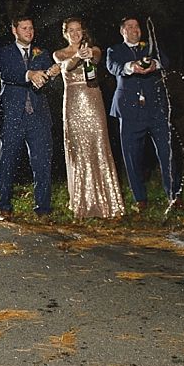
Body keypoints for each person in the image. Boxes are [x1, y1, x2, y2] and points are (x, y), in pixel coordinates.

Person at [105, 17, 181, 212]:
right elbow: (113, 67)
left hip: (156, 109)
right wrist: (131, 67)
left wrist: (155, 64)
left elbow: (165, 60)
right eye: (129, 27)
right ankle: (140, 198)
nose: (134, 30)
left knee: (167, 152)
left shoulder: (150, 46)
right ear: (122, 31)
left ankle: (174, 195)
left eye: (136, 26)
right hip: (129, 110)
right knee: (131, 156)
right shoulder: (115, 50)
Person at [53, 18, 125, 219]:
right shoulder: (59, 53)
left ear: (83, 32)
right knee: (78, 148)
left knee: (99, 145)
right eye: (71, 31)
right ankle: (82, 202)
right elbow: (66, 66)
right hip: (73, 104)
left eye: (79, 30)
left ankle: (107, 201)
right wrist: (77, 55)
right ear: (65, 33)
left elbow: (95, 59)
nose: (75, 34)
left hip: (93, 101)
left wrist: (88, 54)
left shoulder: (94, 49)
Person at [0, 17, 61, 220]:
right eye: (24, 28)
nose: (29, 31)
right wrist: (30, 74)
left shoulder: (43, 53)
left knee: (42, 163)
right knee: (8, 162)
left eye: (31, 28)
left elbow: (44, 80)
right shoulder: (4, 52)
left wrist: (51, 74)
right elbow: (7, 74)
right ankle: (4, 206)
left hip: (38, 117)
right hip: (12, 116)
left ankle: (43, 208)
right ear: (15, 30)